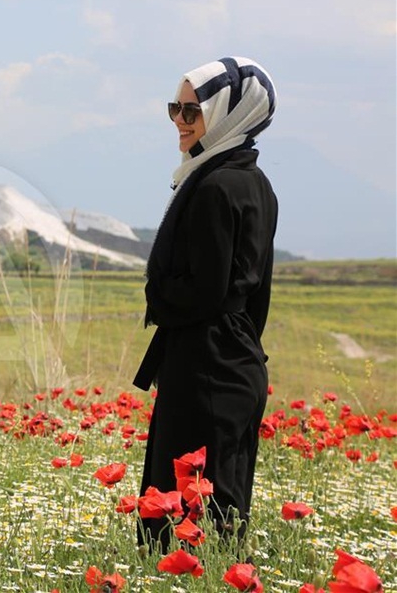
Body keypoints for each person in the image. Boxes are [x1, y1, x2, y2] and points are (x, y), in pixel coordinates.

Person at [133, 56, 278, 553]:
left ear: (225, 115)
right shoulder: (254, 183)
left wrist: (158, 292)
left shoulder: (215, 185)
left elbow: (206, 290)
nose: (179, 120)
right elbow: (255, 294)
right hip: (233, 359)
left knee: (181, 514)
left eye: (192, 111)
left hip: (205, 366)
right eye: (174, 108)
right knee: (219, 509)